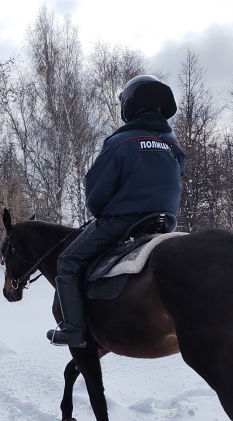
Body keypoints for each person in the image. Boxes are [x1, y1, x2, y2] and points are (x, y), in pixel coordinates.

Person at [46, 75, 186, 348]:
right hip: (165, 222)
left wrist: (103, 211)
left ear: (130, 104)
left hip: (125, 221)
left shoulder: (120, 141)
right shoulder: (173, 144)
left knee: (68, 261)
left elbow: (97, 192)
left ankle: (73, 329)